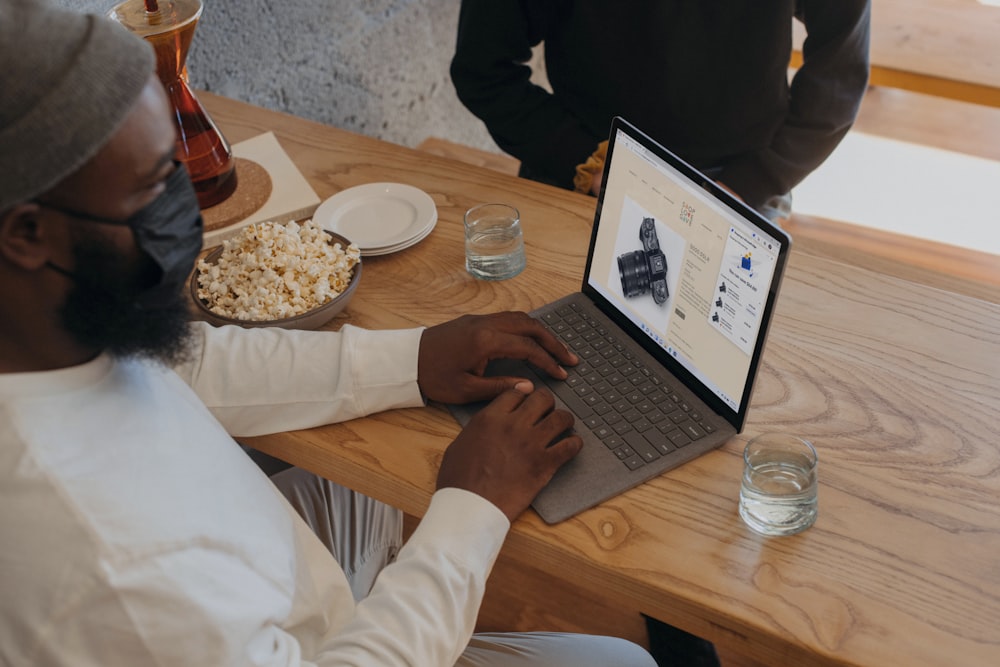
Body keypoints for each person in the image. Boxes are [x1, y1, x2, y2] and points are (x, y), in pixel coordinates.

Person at [0, 2, 658, 665]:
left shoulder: (46, 330)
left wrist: (417, 356)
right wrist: (471, 507)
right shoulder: (112, 570)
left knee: (370, 473)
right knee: (625, 661)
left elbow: (191, 362)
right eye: (152, 186)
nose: (188, 200)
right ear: (29, 233)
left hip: (279, 576)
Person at [451, 0, 871, 222]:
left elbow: (840, 72)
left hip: (739, 183)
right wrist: (588, 164)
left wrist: (754, 181)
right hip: (584, 175)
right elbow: (484, 70)